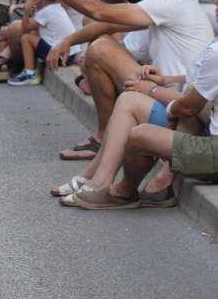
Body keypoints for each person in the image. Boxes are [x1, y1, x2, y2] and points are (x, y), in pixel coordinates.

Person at [17, 0, 213, 162]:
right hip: (175, 98)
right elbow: (110, 26)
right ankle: (107, 146)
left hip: (179, 109)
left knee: (100, 49)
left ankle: (104, 139)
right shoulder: (170, 4)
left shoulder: (172, 4)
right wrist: (68, 41)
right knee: (100, 45)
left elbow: (100, 12)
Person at [54, 36, 218, 209]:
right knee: (129, 100)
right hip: (199, 123)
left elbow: (189, 107)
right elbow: (200, 80)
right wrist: (165, 81)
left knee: (138, 133)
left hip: (205, 134)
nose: (215, 7)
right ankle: (99, 180)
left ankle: (124, 190)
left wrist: (154, 90)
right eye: (215, 5)